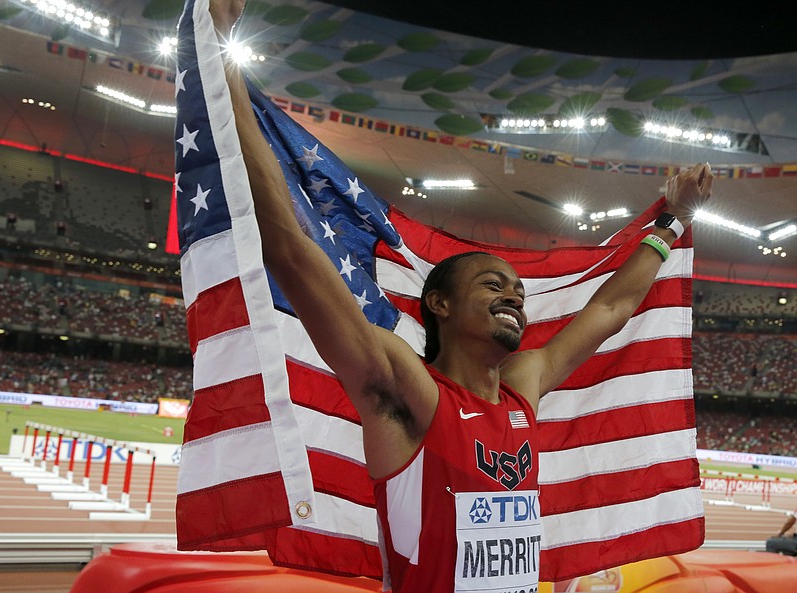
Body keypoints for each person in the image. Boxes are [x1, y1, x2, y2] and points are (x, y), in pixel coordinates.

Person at [208, 1, 713, 590]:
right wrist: (224, 63)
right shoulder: (405, 389)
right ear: (439, 305)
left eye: (519, 292)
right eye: (493, 285)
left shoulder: (522, 390)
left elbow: (609, 308)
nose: (516, 298)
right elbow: (292, 251)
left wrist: (672, 224)